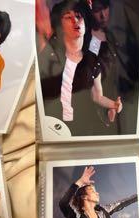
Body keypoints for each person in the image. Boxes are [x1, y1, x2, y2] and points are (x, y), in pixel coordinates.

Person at [37, 0, 123, 136]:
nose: (75, 21)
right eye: (68, 17)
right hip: (51, 126)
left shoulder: (93, 60)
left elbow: (97, 96)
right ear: (59, 26)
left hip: (81, 128)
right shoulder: (49, 56)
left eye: (78, 16)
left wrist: (114, 105)